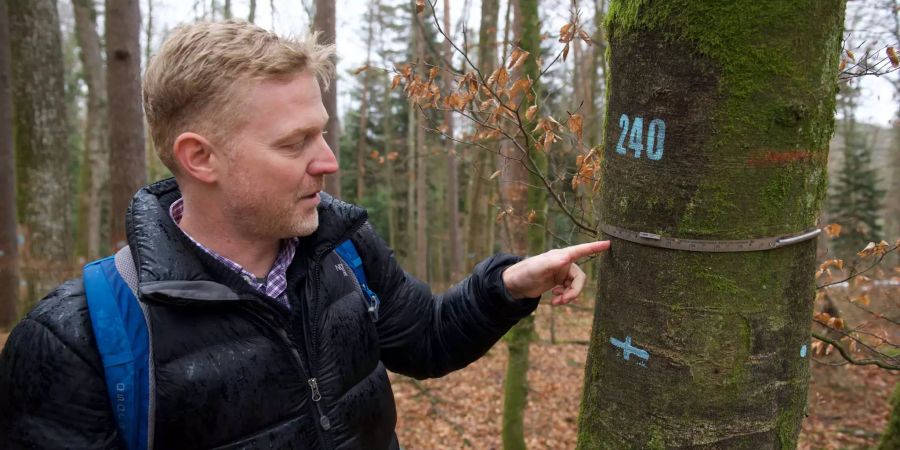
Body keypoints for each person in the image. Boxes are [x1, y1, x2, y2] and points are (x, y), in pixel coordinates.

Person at [0, 20, 609, 449]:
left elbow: (426, 338)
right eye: (294, 143)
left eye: (320, 132)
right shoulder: (79, 341)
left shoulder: (342, 247)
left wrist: (509, 285)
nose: (328, 161)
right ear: (199, 157)